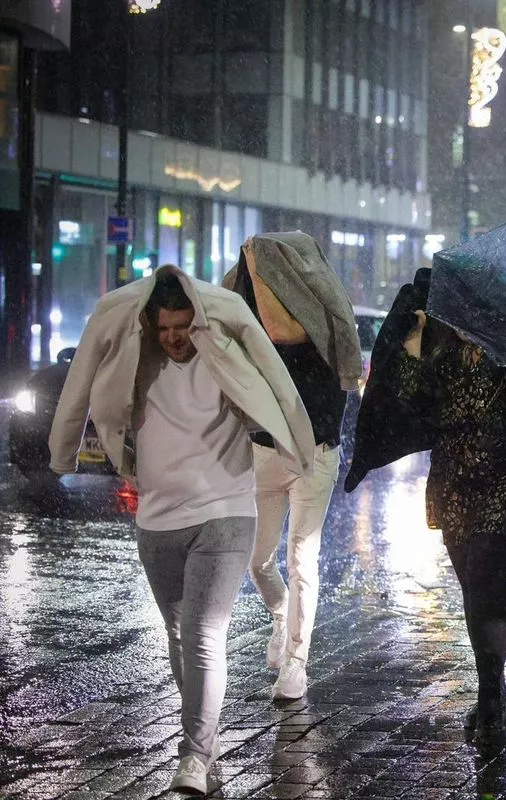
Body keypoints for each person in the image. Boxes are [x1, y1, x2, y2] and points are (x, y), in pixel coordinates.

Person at [48, 267, 314, 795]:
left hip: (226, 510)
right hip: (157, 519)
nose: (175, 336)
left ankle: (193, 755)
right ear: (149, 321)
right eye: (165, 327)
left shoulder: (224, 339)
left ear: (198, 319)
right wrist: (64, 450)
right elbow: (80, 380)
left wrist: (300, 445)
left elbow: (276, 379)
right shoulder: (128, 343)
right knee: (177, 635)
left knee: (203, 634)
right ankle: (204, 735)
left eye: (184, 326)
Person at [390, 303, 506, 748]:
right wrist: (414, 346)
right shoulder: (442, 352)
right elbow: (412, 404)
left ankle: (491, 698)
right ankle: (493, 686)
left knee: (487, 580)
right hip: (455, 483)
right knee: (474, 589)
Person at [224, 232, 361, 701]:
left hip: (315, 454)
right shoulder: (259, 326)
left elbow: (281, 329)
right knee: (257, 560)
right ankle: (281, 615)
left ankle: (297, 664)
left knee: (301, 558)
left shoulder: (321, 322)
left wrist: (256, 259)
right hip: (264, 452)